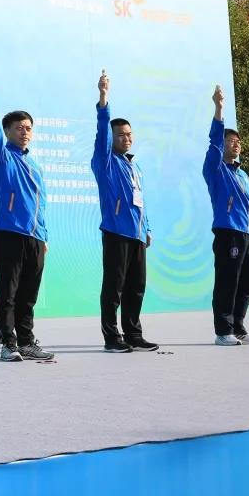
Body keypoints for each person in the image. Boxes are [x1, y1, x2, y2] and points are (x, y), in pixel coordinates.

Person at [0, 66, 54, 362]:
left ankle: (27, 341)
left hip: (36, 238)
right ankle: (8, 343)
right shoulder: (2, 157)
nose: (25, 132)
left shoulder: (34, 165)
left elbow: (40, 205)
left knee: (29, 294)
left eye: (29, 128)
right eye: (19, 127)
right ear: (7, 131)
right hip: (10, 232)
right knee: (8, 292)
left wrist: (44, 236)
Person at [91, 70, 159, 353]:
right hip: (116, 231)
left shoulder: (134, 166)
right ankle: (112, 337)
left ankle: (133, 334)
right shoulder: (105, 161)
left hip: (137, 234)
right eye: (120, 135)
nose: (126, 138)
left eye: (129, 134)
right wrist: (103, 97)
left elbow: (140, 200)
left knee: (136, 287)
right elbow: (102, 129)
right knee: (114, 287)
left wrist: (147, 228)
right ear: (111, 138)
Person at [203, 84, 249, 346]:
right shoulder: (216, 169)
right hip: (228, 232)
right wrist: (219, 108)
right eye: (231, 140)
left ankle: (238, 327)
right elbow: (214, 141)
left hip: (247, 235)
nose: (236, 143)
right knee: (227, 282)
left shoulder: (243, 174)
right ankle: (223, 331)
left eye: (238, 141)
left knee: (245, 285)